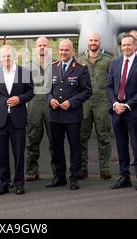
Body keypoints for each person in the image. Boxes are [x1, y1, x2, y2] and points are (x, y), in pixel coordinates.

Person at [0, 45, 34, 195]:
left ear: (14, 57)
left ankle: (19, 183)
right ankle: (3, 184)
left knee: (19, 153)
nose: (6, 59)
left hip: (18, 119)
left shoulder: (24, 72)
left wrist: (19, 99)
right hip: (0, 119)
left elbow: (31, 92)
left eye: (9, 56)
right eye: (3, 56)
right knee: (1, 153)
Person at [45, 39, 92, 190]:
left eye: (66, 50)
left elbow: (87, 91)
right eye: (61, 50)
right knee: (56, 147)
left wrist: (71, 102)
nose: (63, 52)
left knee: (75, 147)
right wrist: (51, 99)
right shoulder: (52, 67)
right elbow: (46, 90)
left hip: (72, 115)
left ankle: (74, 177)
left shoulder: (81, 69)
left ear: (72, 51)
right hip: (56, 115)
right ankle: (59, 177)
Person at [106, 34, 137, 190]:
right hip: (117, 111)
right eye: (123, 45)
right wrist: (115, 103)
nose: (126, 48)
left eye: (129, 45)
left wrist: (128, 104)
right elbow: (109, 87)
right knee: (121, 145)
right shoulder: (115, 64)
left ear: (135, 46)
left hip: (134, 111)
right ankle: (124, 177)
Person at [77, 33, 113, 180]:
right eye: (91, 40)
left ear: (100, 42)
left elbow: (112, 82)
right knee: (82, 136)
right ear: (87, 42)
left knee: (104, 136)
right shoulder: (79, 60)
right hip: (84, 103)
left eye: (96, 40)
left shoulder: (108, 60)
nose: (93, 43)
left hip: (102, 103)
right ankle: (82, 168)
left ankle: (104, 168)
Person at [25, 36, 55, 181]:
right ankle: (31, 170)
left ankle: (57, 171)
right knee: (33, 138)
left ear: (49, 47)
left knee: (54, 139)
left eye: (45, 45)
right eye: (39, 45)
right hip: (34, 103)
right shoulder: (28, 66)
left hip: (51, 103)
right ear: (36, 48)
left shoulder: (56, 64)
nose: (42, 47)